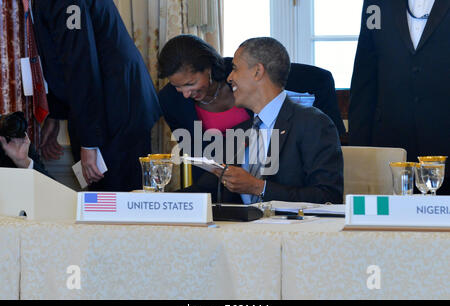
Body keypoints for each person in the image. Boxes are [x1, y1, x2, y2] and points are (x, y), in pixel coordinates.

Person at [158, 34, 345, 180]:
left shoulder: (242, 73)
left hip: (273, 176)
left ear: (207, 68)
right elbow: (199, 159)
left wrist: (327, 135)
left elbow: (318, 79)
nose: (185, 93)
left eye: (190, 83)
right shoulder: (171, 101)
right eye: (177, 86)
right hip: (221, 181)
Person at [32, 0, 161, 191]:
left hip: (116, 109)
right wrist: (55, 113)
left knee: (117, 199)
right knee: (100, 197)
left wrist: (89, 142)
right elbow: (59, 57)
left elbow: (80, 66)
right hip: (98, 106)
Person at [348, 0, 450, 194]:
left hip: (444, 144)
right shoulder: (376, 4)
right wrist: (359, 154)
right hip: (389, 150)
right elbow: (365, 79)